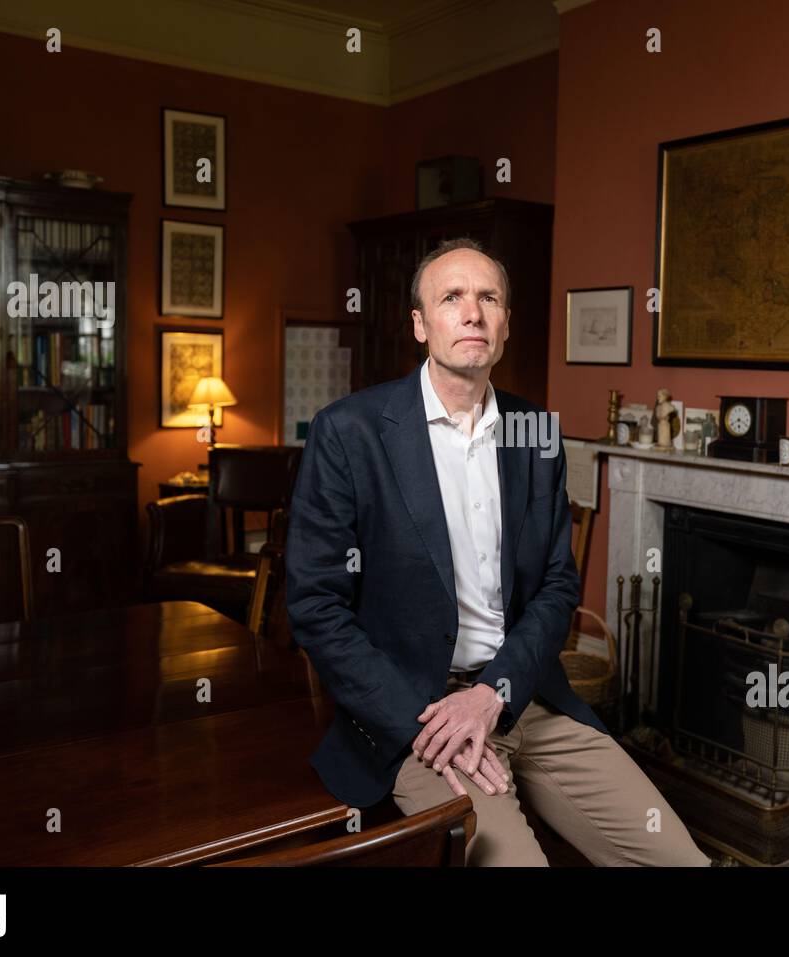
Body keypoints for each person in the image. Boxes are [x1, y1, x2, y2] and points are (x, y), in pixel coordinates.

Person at [285, 238, 711, 866]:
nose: (473, 312)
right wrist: (429, 724)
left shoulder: (535, 432)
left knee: (680, 862)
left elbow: (557, 587)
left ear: (506, 323)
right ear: (420, 323)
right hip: (416, 715)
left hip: (522, 695)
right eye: (451, 297)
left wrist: (493, 696)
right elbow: (317, 607)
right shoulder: (349, 432)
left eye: (489, 298)